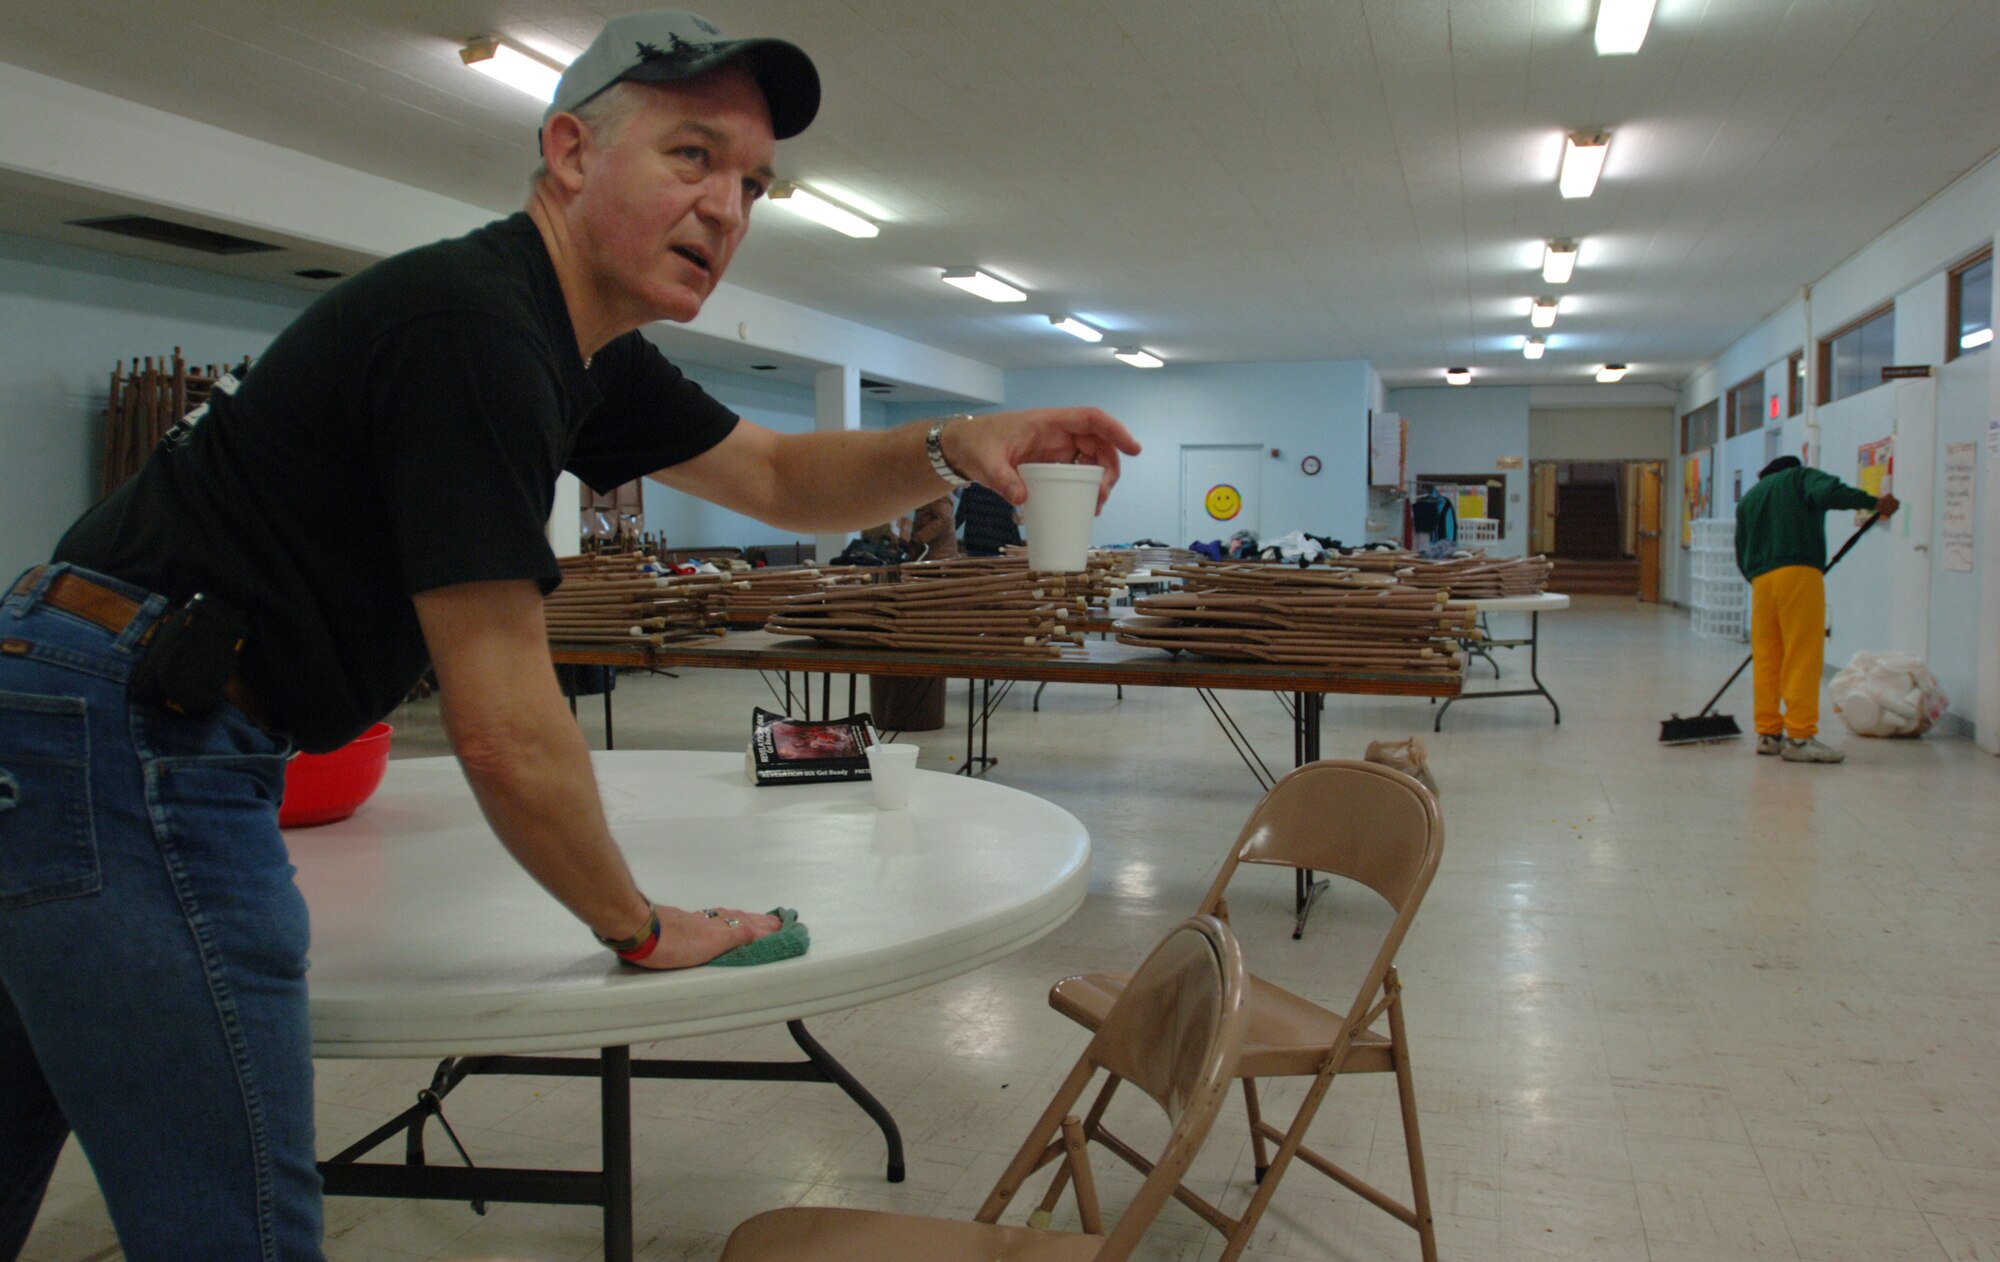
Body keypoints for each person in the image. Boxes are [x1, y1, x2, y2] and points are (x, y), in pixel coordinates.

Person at [0, 11, 1139, 1260]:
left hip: (73, 700)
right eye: (692, 157)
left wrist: (949, 443)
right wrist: (642, 925)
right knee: (237, 1229)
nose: (728, 206)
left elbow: (774, 470)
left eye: (753, 182)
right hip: (130, 725)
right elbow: (500, 722)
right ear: (569, 152)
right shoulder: (475, 330)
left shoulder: (575, 345)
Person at [1734, 455, 1897, 764]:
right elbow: (1827, 492)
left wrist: (1759, 576)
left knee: (1768, 657)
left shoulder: (1750, 498)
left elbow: (1741, 551)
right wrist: (1873, 501)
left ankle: (1768, 734)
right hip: (1797, 572)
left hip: (1761, 583)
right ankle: (1799, 736)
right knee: (1802, 653)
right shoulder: (1799, 477)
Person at [957, 480, 1024, 556]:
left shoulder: (970, 489)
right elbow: (1011, 521)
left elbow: (960, 517)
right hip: (1000, 543)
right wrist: (1017, 544)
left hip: (975, 542)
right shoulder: (1006, 491)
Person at [905, 493, 959, 561]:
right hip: (933, 551)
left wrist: (919, 538)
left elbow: (944, 519)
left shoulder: (938, 493)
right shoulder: (934, 493)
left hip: (937, 553)